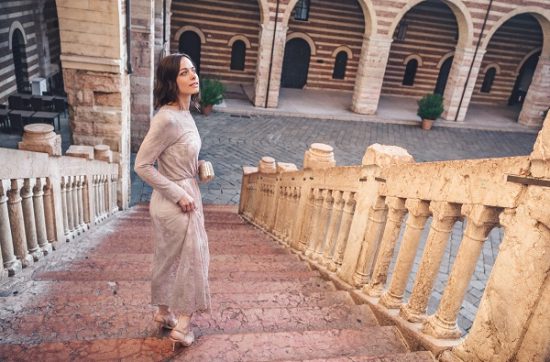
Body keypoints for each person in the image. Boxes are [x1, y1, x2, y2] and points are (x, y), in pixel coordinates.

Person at [134, 53, 210, 349]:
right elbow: (142, 165)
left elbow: (176, 154)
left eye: (193, 70)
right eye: (183, 73)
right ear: (170, 81)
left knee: (168, 260)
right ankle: (183, 325)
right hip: (176, 202)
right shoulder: (166, 117)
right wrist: (180, 195)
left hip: (184, 193)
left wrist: (198, 166)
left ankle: (164, 312)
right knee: (193, 259)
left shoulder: (185, 113)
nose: (193, 76)